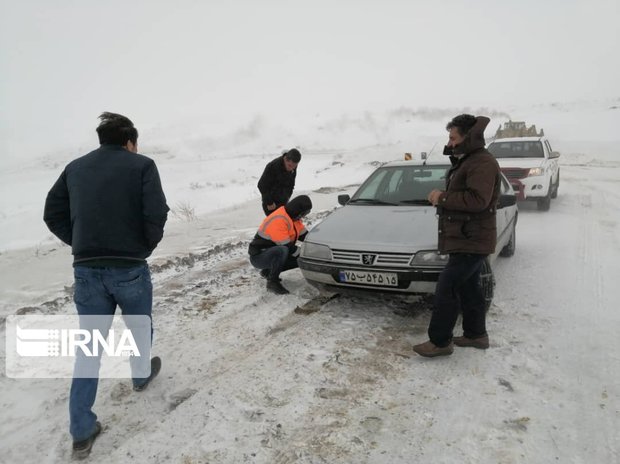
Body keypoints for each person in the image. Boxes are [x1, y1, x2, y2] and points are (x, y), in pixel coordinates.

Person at [43, 112, 169, 458]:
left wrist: (81, 244)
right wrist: (142, 247)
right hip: (129, 267)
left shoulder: (75, 167)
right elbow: (156, 213)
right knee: (139, 328)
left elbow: (51, 213)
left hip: (86, 271)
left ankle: (81, 431)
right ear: (129, 141)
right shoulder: (141, 165)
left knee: (89, 350)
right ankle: (140, 376)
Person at [413, 114, 501, 358]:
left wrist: (441, 197)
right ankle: (476, 334)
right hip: (466, 238)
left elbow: (478, 200)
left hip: (472, 239)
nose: (450, 142)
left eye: (453, 137)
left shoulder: (481, 163)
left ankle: (440, 341)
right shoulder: (469, 160)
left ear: (467, 137)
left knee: (447, 287)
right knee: (468, 287)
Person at [248, 195, 312, 294]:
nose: (304, 216)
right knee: (283, 251)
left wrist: (319, 245)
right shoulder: (279, 219)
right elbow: (287, 246)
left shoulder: (293, 218)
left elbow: (306, 237)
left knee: (301, 258)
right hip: (259, 257)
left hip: (271, 254)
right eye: (304, 213)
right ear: (298, 211)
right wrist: (307, 254)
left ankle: (268, 272)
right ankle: (272, 282)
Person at [257, 148, 301, 216]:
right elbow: (261, 185)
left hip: (283, 202)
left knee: (285, 223)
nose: (292, 169)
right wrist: (269, 202)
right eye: (290, 166)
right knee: (276, 224)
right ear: (285, 159)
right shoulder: (273, 166)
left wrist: (287, 196)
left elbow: (291, 184)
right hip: (271, 204)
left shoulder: (292, 166)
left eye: (294, 166)